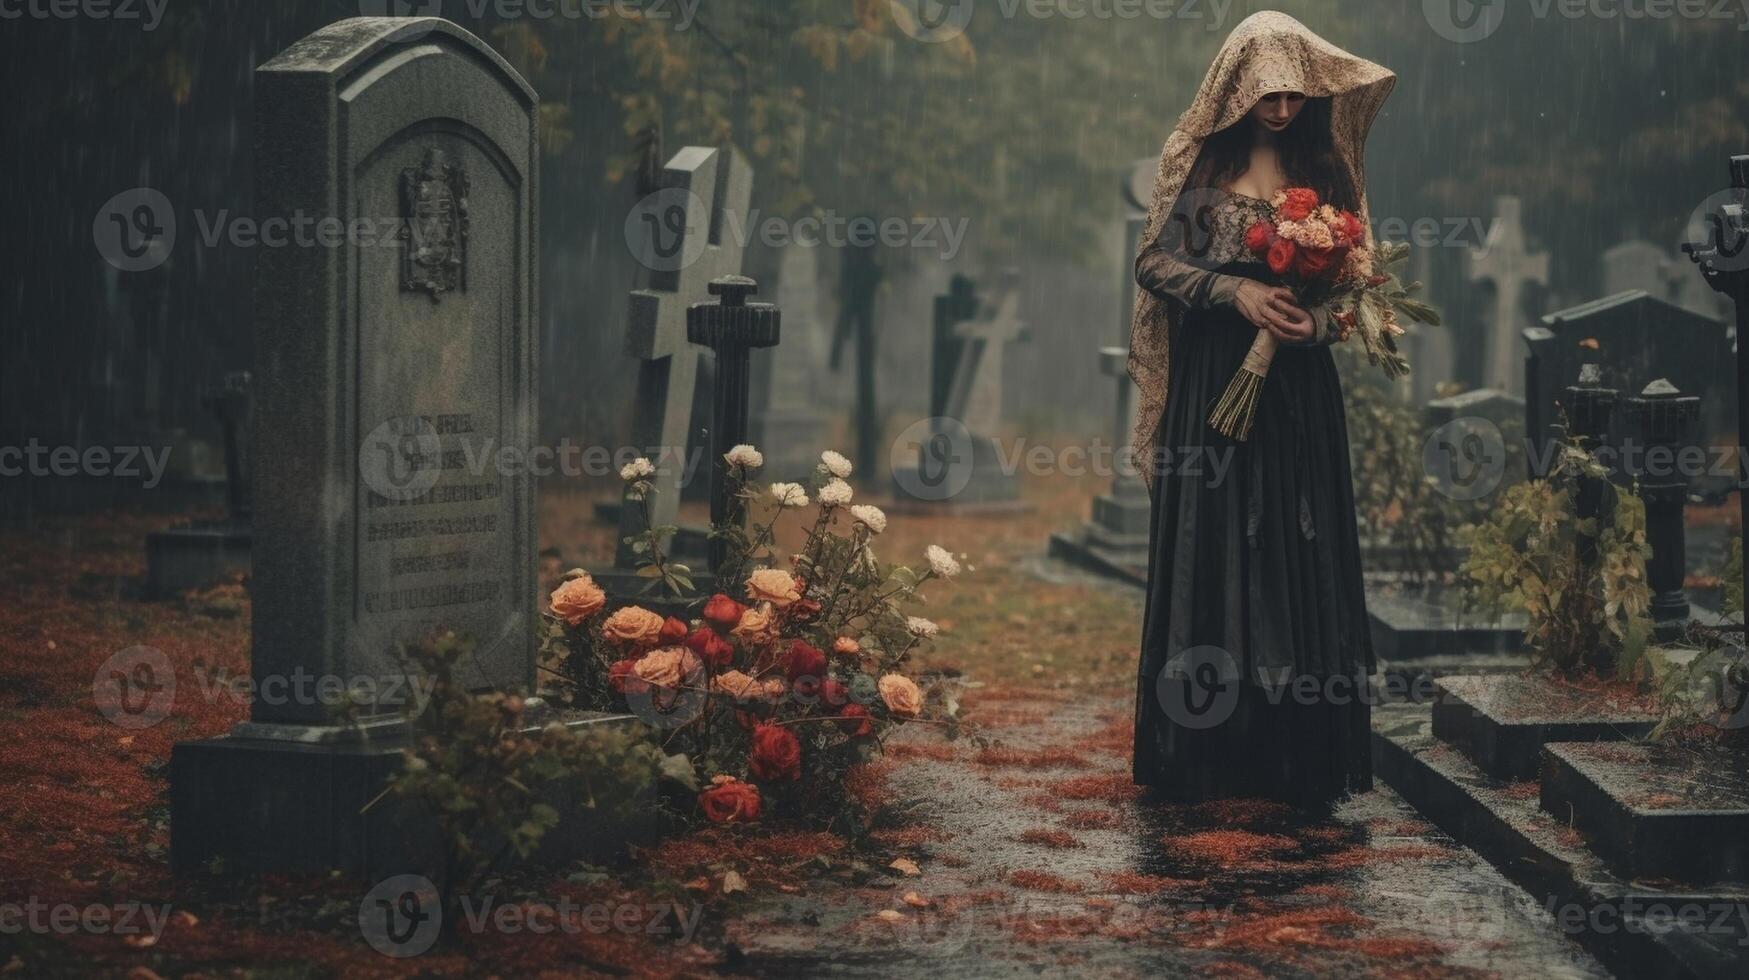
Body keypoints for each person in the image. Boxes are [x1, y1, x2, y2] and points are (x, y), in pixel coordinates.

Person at [1128, 11, 1396, 809]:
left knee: (1291, 539)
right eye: (1265, 94)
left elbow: (1358, 297)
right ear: (1237, 88)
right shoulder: (1203, 172)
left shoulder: (1327, 171)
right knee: (1211, 543)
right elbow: (1151, 263)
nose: (1279, 108)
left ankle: (1293, 755)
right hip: (1212, 383)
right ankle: (1211, 747)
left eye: (1291, 94)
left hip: (1296, 399)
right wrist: (1230, 288)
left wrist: (1312, 322)